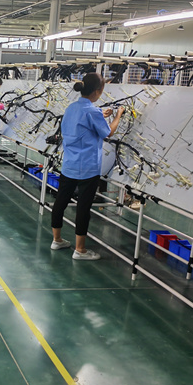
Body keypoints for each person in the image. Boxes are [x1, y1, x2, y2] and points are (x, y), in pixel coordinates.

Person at [50, 72, 124, 260]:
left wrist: (101, 115)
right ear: (98, 91)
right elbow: (107, 133)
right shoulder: (92, 112)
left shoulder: (71, 108)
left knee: (60, 202)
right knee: (83, 208)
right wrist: (118, 116)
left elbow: (83, 124)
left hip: (69, 165)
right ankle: (80, 250)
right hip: (87, 168)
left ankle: (57, 240)